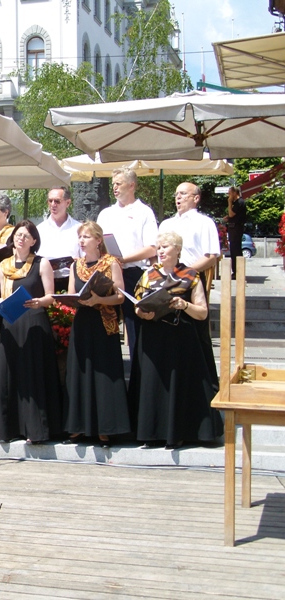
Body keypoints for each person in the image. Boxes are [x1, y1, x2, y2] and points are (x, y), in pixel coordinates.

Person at [128, 231, 223, 449]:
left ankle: (179, 433)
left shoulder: (190, 275)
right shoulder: (148, 275)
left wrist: (184, 305)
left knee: (177, 385)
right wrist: (143, 313)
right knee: (153, 385)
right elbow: (137, 305)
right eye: (159, 247)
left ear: (177, 250)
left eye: (165, 247)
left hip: (180, 339)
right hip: (152, 339)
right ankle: (151, 433)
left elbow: (202, 313)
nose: (160, 251)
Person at [0, 220, 63, 444]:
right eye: (18, 234)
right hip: (10, 323)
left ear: (34, 241)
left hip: (34, 322)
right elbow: (1, 297)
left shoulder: (41, 263)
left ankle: (35, 430)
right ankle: (9, 429)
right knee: (9, 375)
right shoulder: (3, 266)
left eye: (26, 236)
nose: (21, 238)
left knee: (32, 375)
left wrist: (39, 301)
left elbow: (51, 296)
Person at [63, 221, 130, 448]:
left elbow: (120, 296)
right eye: (80, 237)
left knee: (104, 374)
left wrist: (99, 299)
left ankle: (105, 428)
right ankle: (78, 425)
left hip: (103, 322)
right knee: (80, 371)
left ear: (98, 240)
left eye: (86, 237)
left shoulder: (111, 263)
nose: (82, 241)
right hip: (83, 321)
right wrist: (74, 300)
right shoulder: (76, 265)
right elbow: (71, 293)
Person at [158, 182, 221, 391]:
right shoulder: (166, 223)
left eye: (183, 194)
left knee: (197, 331)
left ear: (196, 198)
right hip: (166, 278)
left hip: (192, 277)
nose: (178, 197)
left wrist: (186, 273)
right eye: (176, 193)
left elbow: (211, 256)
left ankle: (207, 385)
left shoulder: (204, 222)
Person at [97, 167, 159, 358]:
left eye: (119, 183)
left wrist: (123, 260)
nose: (114, 188)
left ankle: (137, 369)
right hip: (108, 274)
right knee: (106, 322)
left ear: (131, 185)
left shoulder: (144, 212)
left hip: (133, 273)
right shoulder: (106, 213)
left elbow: (152, 248)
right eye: (113, 184)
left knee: (135, 325)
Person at [36, 187, 81, 292]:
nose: (53, 204)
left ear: (68, 203)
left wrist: (80, 261)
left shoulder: (79, 228)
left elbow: (87, 257)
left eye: (57, 201)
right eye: (50, 201)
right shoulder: (39, 229)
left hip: (71, 281)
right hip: (44, 282)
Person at [225, 186, 246, 280]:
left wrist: (229, 202)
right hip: (234, 227)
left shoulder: (239, 202)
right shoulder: (237, 203)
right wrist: (229, 218)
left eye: (229, 193)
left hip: (236, 228)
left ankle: (237, 272)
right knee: (234, 250)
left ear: (234, 193)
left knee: (236, 250)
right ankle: (236, 271)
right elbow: (233, 215)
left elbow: (231, 213)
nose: (228, 195)